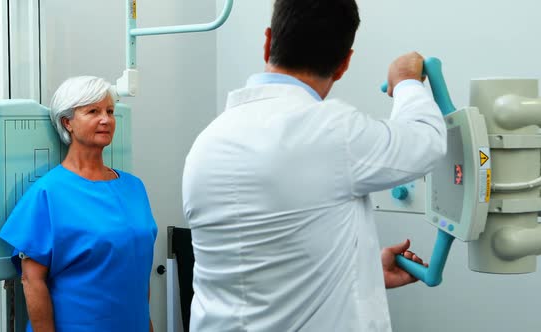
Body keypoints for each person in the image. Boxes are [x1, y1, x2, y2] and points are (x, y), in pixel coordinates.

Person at [182, 0, 447, 331]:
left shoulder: (208, 142)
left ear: (267, 42)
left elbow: (259, 258)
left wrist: (362, 270)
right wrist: (407, 81)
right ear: (344, 64)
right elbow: (426, 141)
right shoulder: (331, 132)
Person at [0, 76, 158, 332]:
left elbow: (137, 270)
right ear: (67, 123)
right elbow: (32, 281)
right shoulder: (48, 192)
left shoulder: (134, 187)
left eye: (109, 111)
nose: (105, 119)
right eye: (93, 111)